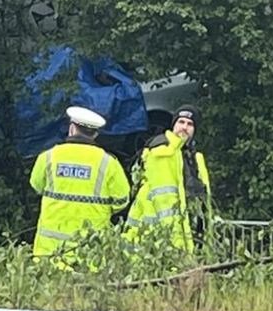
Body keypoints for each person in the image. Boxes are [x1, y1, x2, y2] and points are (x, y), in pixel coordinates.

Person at [29, 106, 130, 256]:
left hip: (50, 249)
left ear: (71, 128)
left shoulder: (48, 156)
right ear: (95, 134)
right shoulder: (108, 162)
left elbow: (36, 186)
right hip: (90, 249)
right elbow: (122, 200)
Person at [125, 104, 212, 252]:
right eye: (181, 122)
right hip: (160, 240)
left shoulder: (195, 158)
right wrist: (176, 245)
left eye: (190, 124)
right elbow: (165, 203)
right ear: (173, 125)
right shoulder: (163, 150)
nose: (184, 127)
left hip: (191, 233)